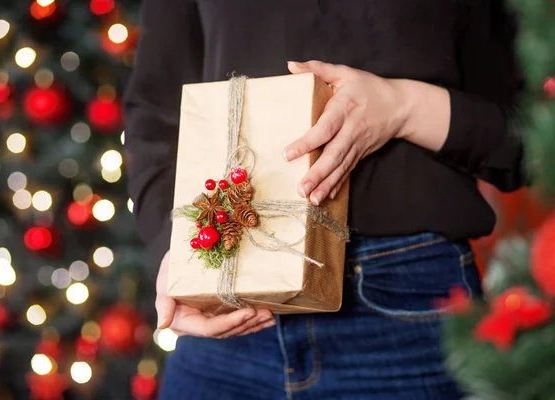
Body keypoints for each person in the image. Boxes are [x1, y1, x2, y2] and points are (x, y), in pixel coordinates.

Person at [124, 1, 525, 398]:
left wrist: (403, 107)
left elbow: (529, 134)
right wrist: (176, 249)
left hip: (406, 313)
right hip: (225, 298)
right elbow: (156, 111)